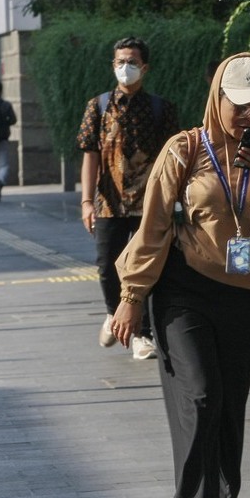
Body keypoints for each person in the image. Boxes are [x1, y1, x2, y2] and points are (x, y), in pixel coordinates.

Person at [111, 53, 250, 498]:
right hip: (183, 290)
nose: (248, 117)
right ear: (217, 98)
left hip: (244, 296)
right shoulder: (183, 150)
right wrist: (131, 297)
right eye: (238, 105)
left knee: (229, 406)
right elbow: (152, 226)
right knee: (201, 396)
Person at [77, 36, 179, 361]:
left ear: (144, 67)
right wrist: (86, 201)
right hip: (109, 201)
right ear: (113, 65)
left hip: (150, 203)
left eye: (132, 62)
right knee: (108, 265)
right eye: (120, 61)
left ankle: (142, 334)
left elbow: (173, 156)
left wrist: (174, 199)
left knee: (145, 267)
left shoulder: (161, 109)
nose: (126, 68)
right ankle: (113, 313)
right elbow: (89, 154)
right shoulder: (99, 106)